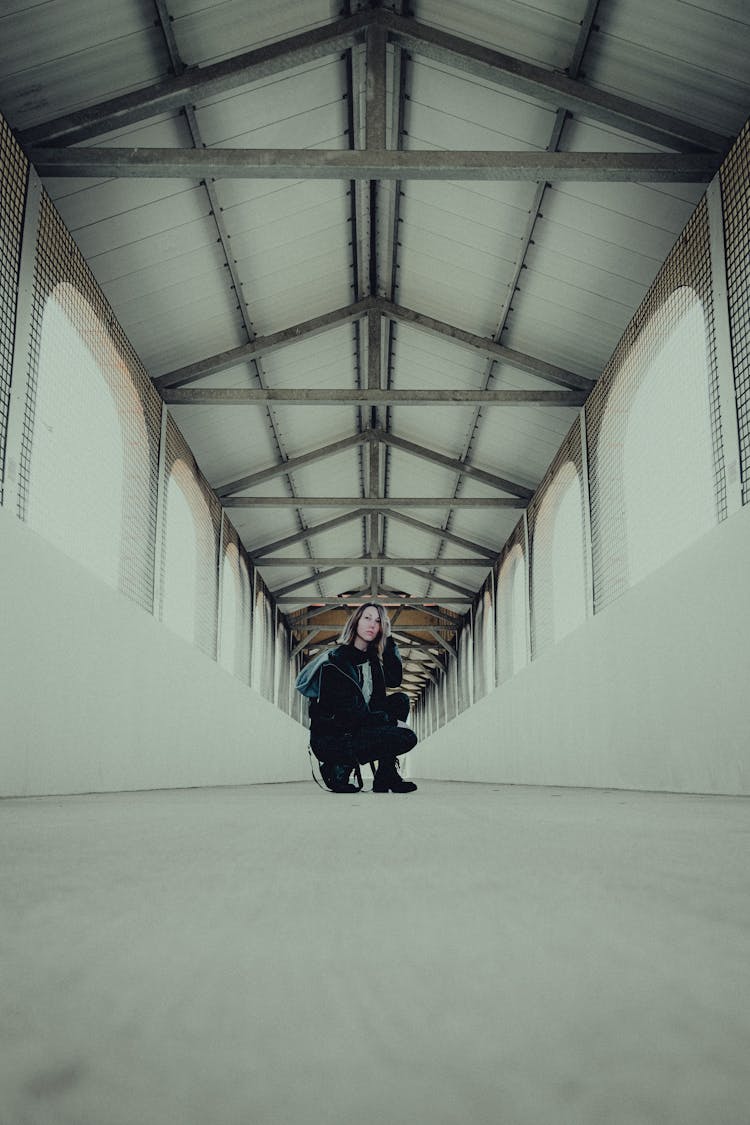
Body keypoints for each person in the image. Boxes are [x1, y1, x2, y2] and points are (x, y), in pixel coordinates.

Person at [304, 603, 418, 794]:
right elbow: (349, 715)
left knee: (400, 700)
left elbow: (394, 679)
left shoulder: (371, 660)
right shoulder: (337, 660)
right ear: (356, 622)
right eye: (367, 618)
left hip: (358, 729)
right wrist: (392, 721)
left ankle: (385, 774)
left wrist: (389, 639)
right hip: (334, 738)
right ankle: (337, 767)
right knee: (405, 736)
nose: (372, 625)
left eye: (379, 621)